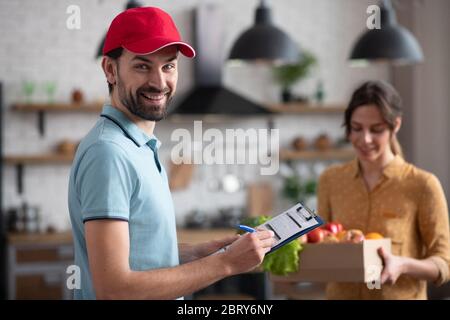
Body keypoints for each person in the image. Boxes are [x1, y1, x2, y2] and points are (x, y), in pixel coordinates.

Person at [68, 7, 274, 300]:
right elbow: (113, 288)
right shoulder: (109, 153)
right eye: (142, 66)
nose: (159, 81)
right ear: (110, 70)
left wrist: (200, 253)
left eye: (168, 66)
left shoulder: (139, 147)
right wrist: (225, 263)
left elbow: (138, 254)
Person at [317, 80, 450, 299]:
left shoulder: (422, 185)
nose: (365, 139)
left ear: (395, 125)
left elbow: (444, 264)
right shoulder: (331, 180)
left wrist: (402, 265)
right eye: (356, 128)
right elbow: (321, 242)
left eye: (376, 129)